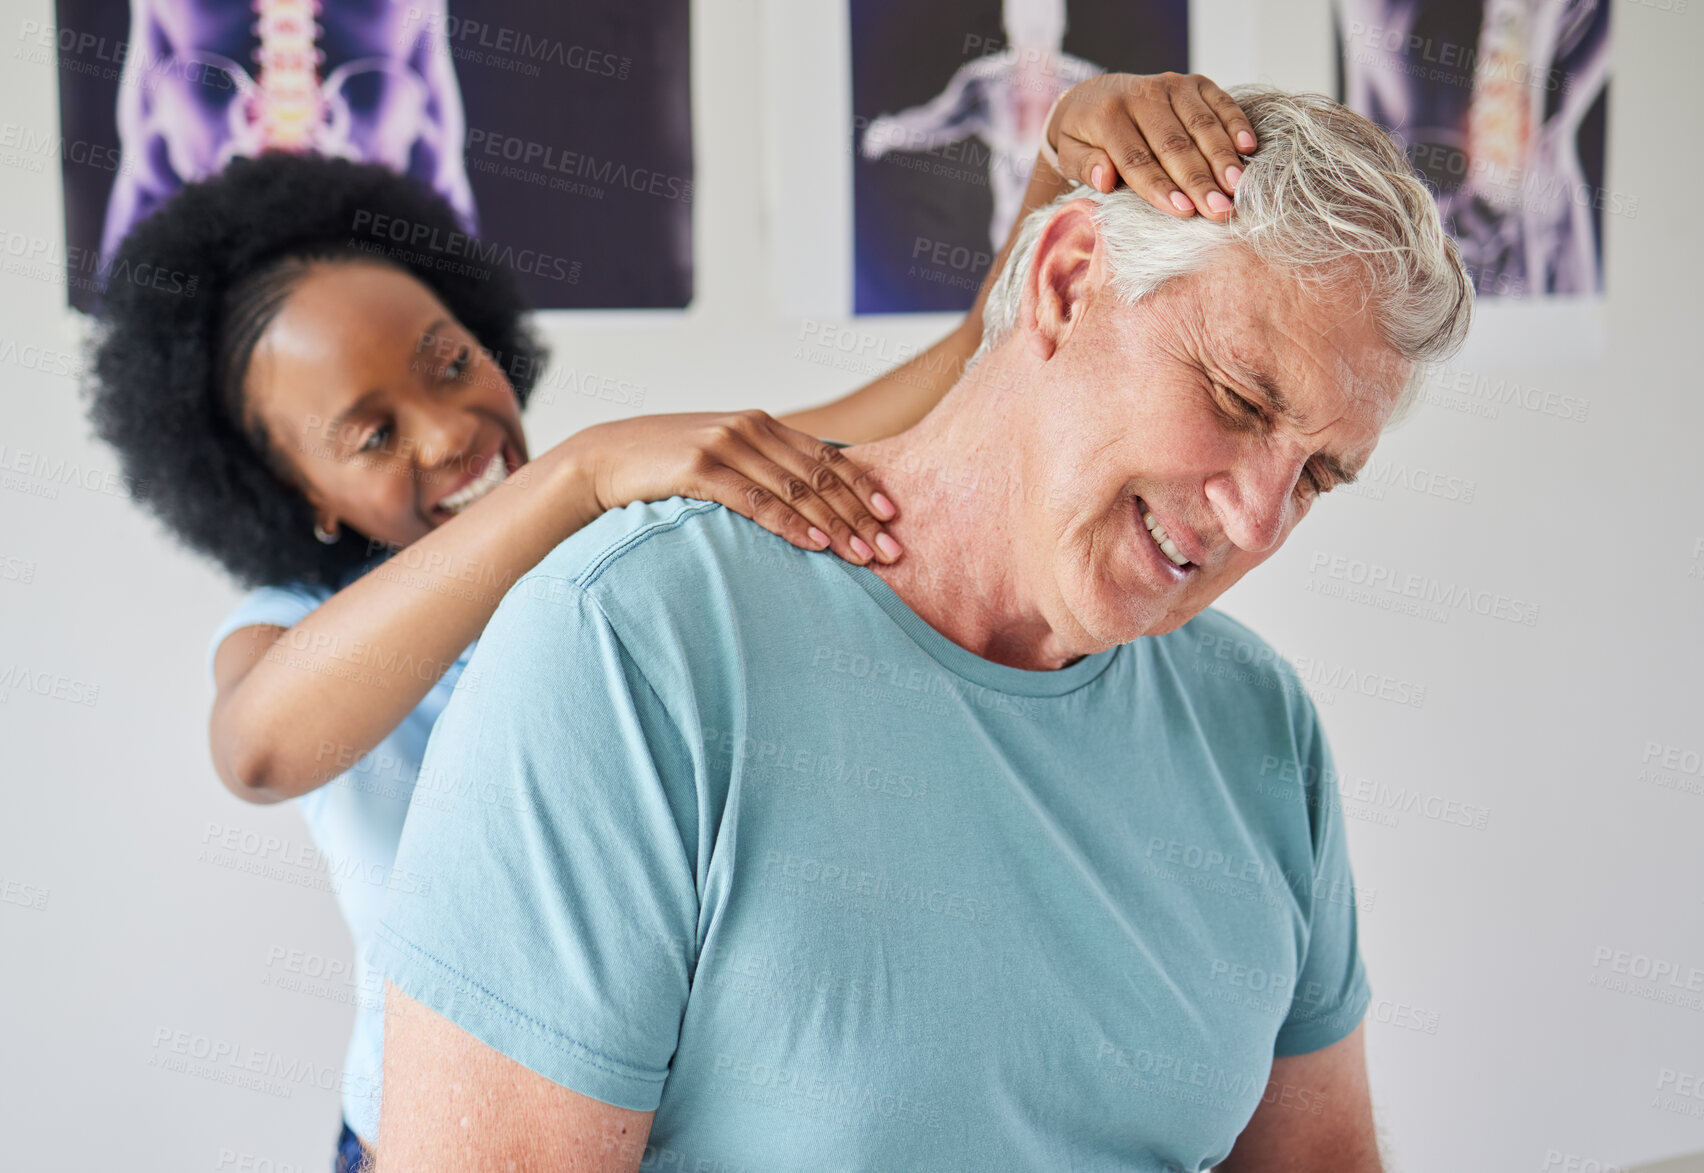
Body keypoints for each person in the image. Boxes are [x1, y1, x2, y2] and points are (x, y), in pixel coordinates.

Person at [81, 71, 1257, 1172]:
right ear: (297, 495)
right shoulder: (297, 624)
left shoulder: (645, 519)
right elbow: (261, 747)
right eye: (373, 434)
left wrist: (1068, 143)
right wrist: (581, 473)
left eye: (451, 364)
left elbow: (963, 362)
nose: (449, 432)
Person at [370, 85, 1473, 1171]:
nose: (1256, 519)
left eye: (1318, 476)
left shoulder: (1259, 723)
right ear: (1067, 279)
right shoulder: (632, 644)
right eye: (1238, 398)